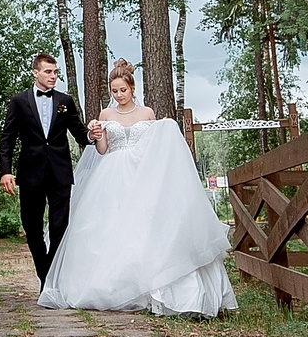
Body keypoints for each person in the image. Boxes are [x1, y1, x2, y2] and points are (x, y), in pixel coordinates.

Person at [39, 59, 236, 317]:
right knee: (110, 229)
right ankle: (109, 284)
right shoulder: (106, 115)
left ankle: (151, 281)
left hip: (143, 174)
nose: (119, 95)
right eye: (114, 92)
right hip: (112, 175)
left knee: (146, 226)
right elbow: (102, 150)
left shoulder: (148, 114)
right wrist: (97, 134)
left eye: (122, 90)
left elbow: (155, 149)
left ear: (132, 87)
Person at [0, 53, 96, 282]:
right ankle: (46, 275)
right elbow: (7, 138)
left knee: (59, 226)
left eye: (55, 72)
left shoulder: (65, 101)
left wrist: (94, 135)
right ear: (36, 72)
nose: (53, 76)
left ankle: (51, 278)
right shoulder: (19, 102)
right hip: (30, 173)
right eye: (48, 72)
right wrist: (5, 171)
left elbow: (80, 134)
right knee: (31, 228)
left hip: (60, 173)